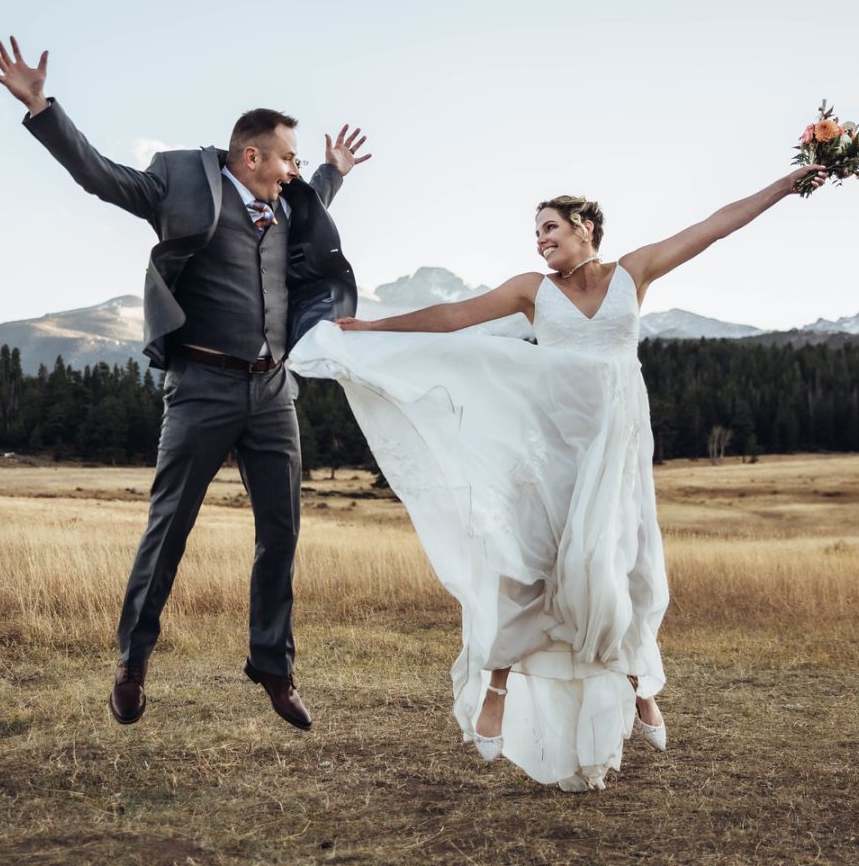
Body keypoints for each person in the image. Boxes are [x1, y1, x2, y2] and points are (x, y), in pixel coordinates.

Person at [288, 164, 828, 790]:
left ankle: (637, 688)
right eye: (536, 231)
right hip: (551, 451)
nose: (540, 240)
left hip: (616, 452)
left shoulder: (635, 272)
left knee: (620, 568)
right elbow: (455, 316)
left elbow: (712, 227)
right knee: (530, 567)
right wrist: (375, 329)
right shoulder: (532, 290)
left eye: (550, 228)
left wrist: (786, 185)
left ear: (586, 228)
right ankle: (495, 689)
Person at [0, 36, 372, 731]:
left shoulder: (291, 208)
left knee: (281, 532)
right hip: (201, 387)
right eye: (288, 156)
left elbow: (312, 202)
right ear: (250, 156)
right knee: (169, 529)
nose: (296, 170)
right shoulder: (181, 184)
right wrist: (42, 108)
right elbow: (103, 177)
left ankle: (273, 665)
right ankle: (133, 662)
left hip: (273, 392)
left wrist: (335, 173)